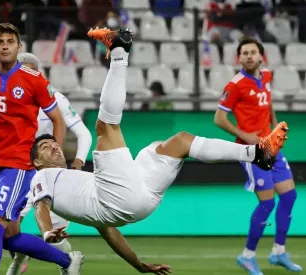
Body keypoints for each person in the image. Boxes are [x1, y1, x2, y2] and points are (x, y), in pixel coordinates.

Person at [29, 28, 288, 275]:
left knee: (181, 141)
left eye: (52, 142)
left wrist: (139, 264)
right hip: (117, 198)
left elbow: (108, 231)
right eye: (43, 146)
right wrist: (47, 233)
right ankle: (119, 51)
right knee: (105, 127)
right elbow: (41, 207)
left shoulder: (75, 183)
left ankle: (257, 153)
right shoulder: (42, 178)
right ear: (36, 162)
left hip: (138, 198)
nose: (53, 144)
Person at [0, 23, 84, 275]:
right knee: (8, 236)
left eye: (10, 41)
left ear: (19, 47)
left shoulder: (35, 80)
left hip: (19, 164)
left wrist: (53, 160)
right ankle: (67, 261)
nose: (5, 45)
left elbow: (58, 120)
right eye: (0, 41)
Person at [214, 37, 302, 275]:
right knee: (267, 203)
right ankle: (247, 257)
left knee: (289, 196)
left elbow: (269, 104)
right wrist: (245, 135)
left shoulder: (267, 77)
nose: (249, 56)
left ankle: (278, 252)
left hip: (272, 147)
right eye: (245, 53)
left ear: (261, 56)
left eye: (253, 52)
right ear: (239, 58)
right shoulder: (235, 85)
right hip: (252, 151)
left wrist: (277, 131)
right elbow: (219, 119)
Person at [6, 52, 93, 275]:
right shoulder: (6, 99)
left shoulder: (57, 100)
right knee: (7, 229)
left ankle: (67, 265)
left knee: (54, 235)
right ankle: (17, 261)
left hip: (49, 177)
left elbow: (84, 134)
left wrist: (79, 160)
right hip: (16, 173)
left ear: (37, 74)